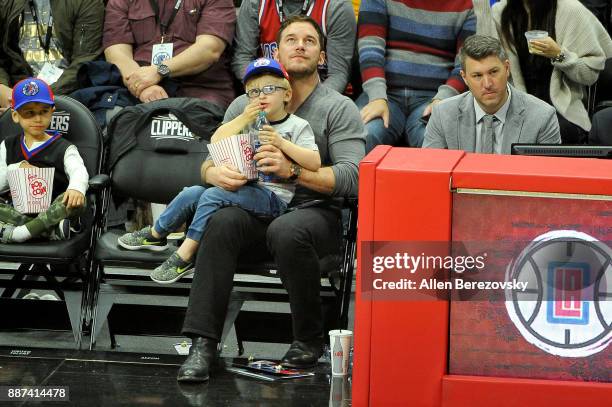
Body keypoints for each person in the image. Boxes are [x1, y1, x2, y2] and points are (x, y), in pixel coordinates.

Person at [176, 15, 365, 382]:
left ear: (322, 56)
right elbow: (206, 162)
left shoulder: (338, 108)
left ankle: (308, 340)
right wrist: (214, 173)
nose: (299, 46)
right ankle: (203, 344)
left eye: (309, 41)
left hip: (314, 214)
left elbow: (353, 177)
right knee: (221, 219)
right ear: (275, 51)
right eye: (290, 39)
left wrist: (293, 171)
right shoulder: (247, 104)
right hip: (254, 208)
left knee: (287, 229)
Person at [117, 57, 321, 284]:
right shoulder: (248, 122)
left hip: (274, 199)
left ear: (287, 94)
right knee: (192, 192)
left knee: (213, 195)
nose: (261, 95)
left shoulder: (297, 126)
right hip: (246, 187)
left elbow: (314, 162)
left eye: (270, 89)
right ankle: (156, 234)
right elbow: (216, 140)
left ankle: (185, 254)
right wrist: (244, 116)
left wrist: (283, 144)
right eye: (253, 92)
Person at [483, 0, 612, 143]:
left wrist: (559, 54)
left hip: (562, 108)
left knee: (554, 132)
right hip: (515, 106)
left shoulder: (570, 9)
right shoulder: (499, 13)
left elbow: (590, 75)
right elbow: (486, 63)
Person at [356, 0, 476, 152]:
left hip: (433, 97)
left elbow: (465, 64)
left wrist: (443, 99)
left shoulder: (464, 5)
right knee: (361, 137)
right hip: (383, 94)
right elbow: (370, 48)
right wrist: (377, 96)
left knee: (439, 145)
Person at [423, 35, 561, 153]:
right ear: (464, 77)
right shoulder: (443, 114)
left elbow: (549, 180)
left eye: (493, 72)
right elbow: (430, 173)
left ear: (507, 69)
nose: (488, 84)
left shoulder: (542, 117)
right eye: (477, 75)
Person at [103, 0, 236, 109]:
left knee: (197, 125)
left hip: (198, 88)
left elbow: (209, 50)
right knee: (111, 116)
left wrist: (159, 71)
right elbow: (116, 53)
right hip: (136, 90)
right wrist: (142, 86)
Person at [0, 78, 88, 243]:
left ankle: (20, 234)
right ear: (15, 116)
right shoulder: (8, 145)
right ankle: (47, 231)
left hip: (52, 211)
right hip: (17, 212)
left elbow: (79, 171)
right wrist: (16, 168)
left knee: (75, 201)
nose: (38, 119)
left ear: (52, 112)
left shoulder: (64, 147)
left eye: (44, 111)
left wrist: (76, 188)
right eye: (29, 113)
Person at [0, 0, 105, 112]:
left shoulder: (86, 2)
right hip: (15, 90)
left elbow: (84, 61)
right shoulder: (6, 3)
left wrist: (39, 97)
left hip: (69, 93)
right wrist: (2, 87)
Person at [232, 0, 356, 94]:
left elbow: (338, 73)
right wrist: (266, 92)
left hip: (322, 93)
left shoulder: (335, 6)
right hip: (269, 92)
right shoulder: (256, 3)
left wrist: (309, 103)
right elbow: (242, 58)